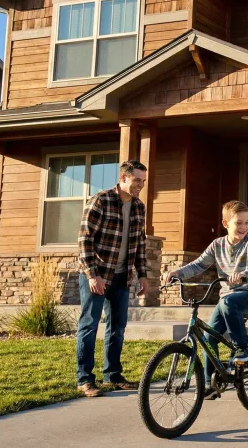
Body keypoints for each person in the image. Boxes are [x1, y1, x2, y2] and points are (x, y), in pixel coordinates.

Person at [162, 200, 248, 399]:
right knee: (209, 337)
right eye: (238, 223)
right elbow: (199, 265)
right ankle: (210, 384)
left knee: (228, 303)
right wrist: (177, 273)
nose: (244, 227)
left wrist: (243, 275)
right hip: (228, 297)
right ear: (226, 224)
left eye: (246, 222)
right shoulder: (217, 245)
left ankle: (243, 348)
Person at [76, 160, 149, 397]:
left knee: (117, 327)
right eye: (137, 180)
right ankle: (85, 379)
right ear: (124, 178)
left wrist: (143, 275)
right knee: (89, 325)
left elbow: (140, 243)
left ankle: (113, 375)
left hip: (121, 277)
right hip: (97, 275)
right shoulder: (101, 200)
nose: (141, 185)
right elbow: (85, 240)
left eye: (143, 181)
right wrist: (92, 275)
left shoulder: (139, 206)